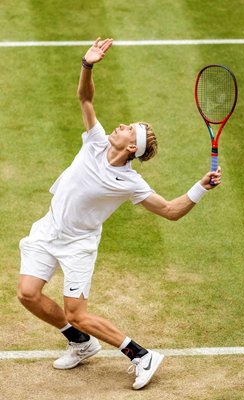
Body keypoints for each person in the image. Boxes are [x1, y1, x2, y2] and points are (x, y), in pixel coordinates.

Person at [17, 37, 221, 390]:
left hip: (78, 244)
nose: (121, 124)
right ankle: (81, 343)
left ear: (131, 148)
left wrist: (200, 187)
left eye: (129, 128)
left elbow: (171, 211)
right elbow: (85, 98)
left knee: (76, 312)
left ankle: (142, 355)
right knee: (27, 294)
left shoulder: (130, 182)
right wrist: (87, 63)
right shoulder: (95, 141)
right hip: (48, 230)